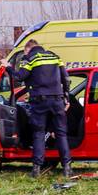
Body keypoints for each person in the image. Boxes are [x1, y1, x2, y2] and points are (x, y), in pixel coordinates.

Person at [8, 39, 73, 178]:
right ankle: (67, 168)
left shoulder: (31, 58)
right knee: (61, 133)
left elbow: (19, 76)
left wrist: (8, 66)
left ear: (28, 49)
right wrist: (66, 96)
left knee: (38, 133)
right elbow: (66, 79)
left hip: (39, 102)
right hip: (57, 100)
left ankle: (37, 169)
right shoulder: (55, 57)